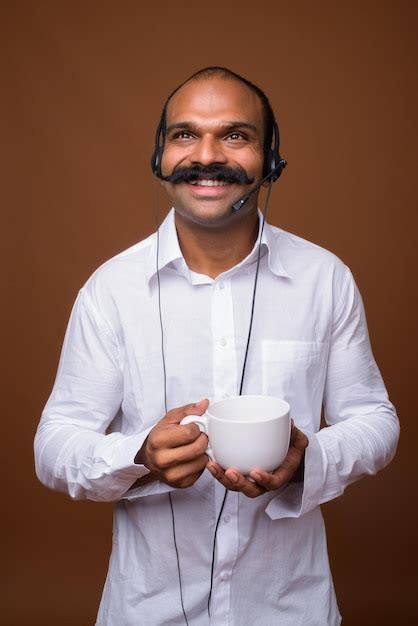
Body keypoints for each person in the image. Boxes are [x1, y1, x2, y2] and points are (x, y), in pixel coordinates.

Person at [34, 67, 399, 626]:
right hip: (144, 611)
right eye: (185, 134)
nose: (207, 155)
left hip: (289, 609)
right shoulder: (109, 290)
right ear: (159, 156)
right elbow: (54, 445)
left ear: (270, 158)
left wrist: (309, 460)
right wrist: (138, 458)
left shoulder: (326, 279)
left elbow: (375, 420)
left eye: (235, 135)